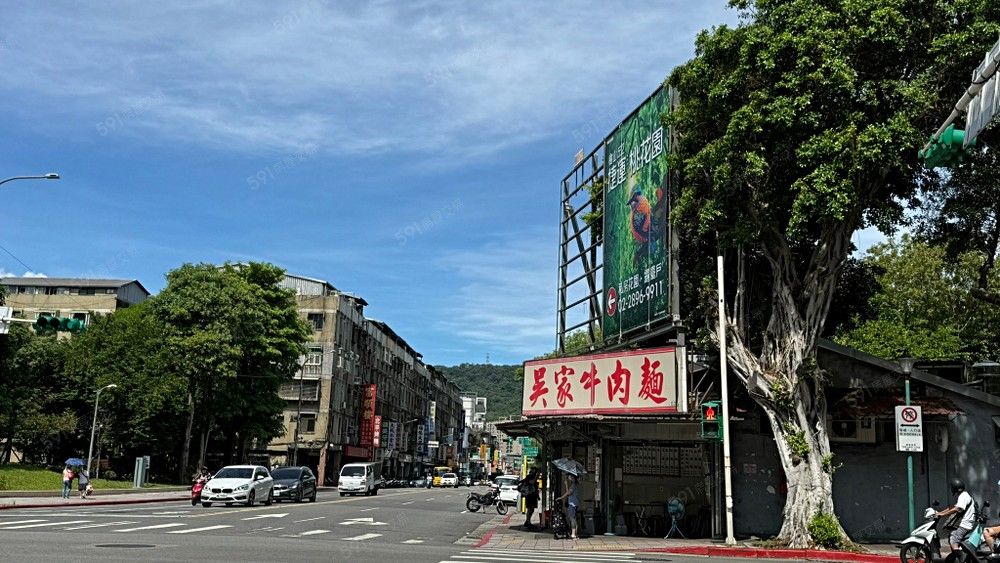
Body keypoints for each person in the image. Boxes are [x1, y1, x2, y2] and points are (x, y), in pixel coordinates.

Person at [936, 478, 977, 552]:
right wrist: (940, 513)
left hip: (965, 525)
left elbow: (957, 508)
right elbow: (953, 507)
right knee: (951, 535)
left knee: (954, 538)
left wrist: (942, 514)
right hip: (965, 524)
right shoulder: (964, 495)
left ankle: (958, 556)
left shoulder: (963, 496)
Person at [555, 473, 580, 540]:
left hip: (572, 504)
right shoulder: (575, 484)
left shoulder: (574, 485)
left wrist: (561, 498)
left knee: (572, 518)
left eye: (569, 476)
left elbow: (568, 493)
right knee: (574, 518)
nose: (569, 477)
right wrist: (566, 484)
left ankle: (573, 534)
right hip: (575, 503)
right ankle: (576, 534)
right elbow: (569, 492)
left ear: (572, 477)